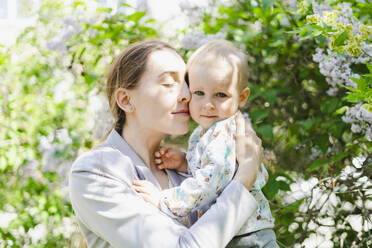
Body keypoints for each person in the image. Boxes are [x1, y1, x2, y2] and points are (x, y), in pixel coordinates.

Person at [69, 40, 264, 248]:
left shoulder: (189, 166)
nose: (186, 95)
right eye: (170, 84)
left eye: (187, 84)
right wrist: (246, 175)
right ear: (126, 100)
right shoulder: (96, 172)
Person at [134, 40, 278, 248]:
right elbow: (221, 173)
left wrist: (164, 201)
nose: (208, 104)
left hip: (246, 236)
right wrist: (185, 162)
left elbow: (209, 183)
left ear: (242, 97)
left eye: (221, 95)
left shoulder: (225, 132)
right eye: (199, 93)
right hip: (237, 230)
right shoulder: (207, 131)